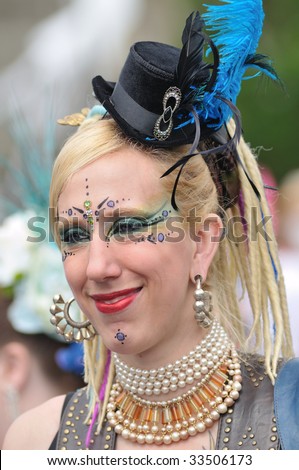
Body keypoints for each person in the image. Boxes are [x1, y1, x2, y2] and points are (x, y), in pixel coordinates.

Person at [3, 0, 299, 451]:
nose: (97, 266)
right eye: (75, 235)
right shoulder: (34, 439)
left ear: (203, 241)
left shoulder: (289, 412)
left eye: (127, 227)